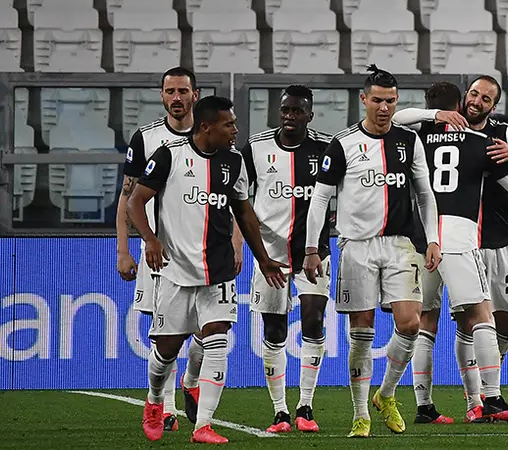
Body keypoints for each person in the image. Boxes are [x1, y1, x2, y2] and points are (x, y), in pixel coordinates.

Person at [128, 96, 288, 444]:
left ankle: (203, 425)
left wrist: (262, 257)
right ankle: (155, 400)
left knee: (217, 338)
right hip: (174, 271)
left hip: (218, 270)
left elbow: (244, 213)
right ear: (205, 127)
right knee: (166, 351)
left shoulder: (233, 161)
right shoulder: (169, 155)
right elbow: (135, 201)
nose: (236, 130)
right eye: (229, 124)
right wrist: (150, 240)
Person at [392, 75, 508, 420]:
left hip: (431, 237)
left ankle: (423, 405)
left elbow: (397, 118)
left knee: (430, 320)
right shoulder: (478, 142)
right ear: (461, 102)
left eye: (484, 98)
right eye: (472, 95)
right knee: (479, 316)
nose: (476, 101)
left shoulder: (417, 139)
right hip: (461, 236)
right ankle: (487, 399)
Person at [304, 64, 442, 439]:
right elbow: (320, 199)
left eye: (391, 101)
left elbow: (425, 194)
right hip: (356, 246)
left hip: (400, 243)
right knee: (361, 331)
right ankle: (361, 414)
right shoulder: (343, 143)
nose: (384, 108)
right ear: (363, 99)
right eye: (378, 100)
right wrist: (312, 248)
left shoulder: (407, 141)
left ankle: (387, 393)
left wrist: (432, 239)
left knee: (411, 323)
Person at [115, 66, 205, 431]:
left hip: (202, 251)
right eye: (170, 92)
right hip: (159, 252)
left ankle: (192, 381)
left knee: (205, 331)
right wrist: (123, 249)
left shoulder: (210, 135)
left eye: (183, 91)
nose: (177, 98)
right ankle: (165, 406)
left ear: (195, 95)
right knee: (163, 332)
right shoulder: (147, 139)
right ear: (162, 96)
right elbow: (126, 197)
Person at [238, 85, 332, 434]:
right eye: (286, 111)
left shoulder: (325, 147)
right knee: (275, 328)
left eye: (297, 111)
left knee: (313, 318)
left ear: (310, 114)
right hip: (270, 255)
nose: (290, 117)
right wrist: (240, 246)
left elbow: (346, 189)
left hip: (313, 252)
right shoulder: (258, 148)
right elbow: (238, 197)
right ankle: (280, 412)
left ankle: (305, 406)